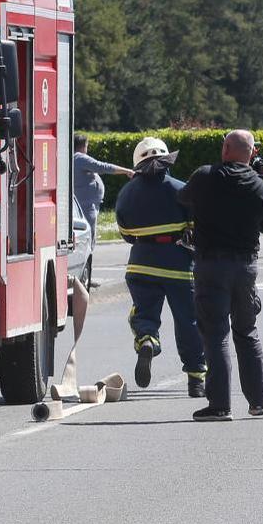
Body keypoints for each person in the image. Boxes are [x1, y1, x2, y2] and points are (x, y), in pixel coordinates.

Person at [177, 130, 263, 422]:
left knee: (216, 334)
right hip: (245, 267)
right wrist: (260, 181)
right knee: (247, 332)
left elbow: (182, 197)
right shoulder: (261, 188)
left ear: (226, 149)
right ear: (252, 153)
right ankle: (257, 401)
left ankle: (220, 405)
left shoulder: (204, 177)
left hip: (211, 265)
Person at [115, 137, 206, 397]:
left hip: (141, 264)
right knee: (188, 320)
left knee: (144, 313)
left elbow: (126, 233)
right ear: (166, 161)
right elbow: (196, 226)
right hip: (178, 265)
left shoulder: (126, 193)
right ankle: (196, 378)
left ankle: (147, 340)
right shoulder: (182, 189)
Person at [73, 133, 133, 269]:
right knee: (89, 240)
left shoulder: (73, 159)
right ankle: (86, 272)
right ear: (83, 146)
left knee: (86, 239)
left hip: (84, 205)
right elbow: (103, 167)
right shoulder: (80, 158)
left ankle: (85, 272)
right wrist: (127, 171)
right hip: (86, 206)